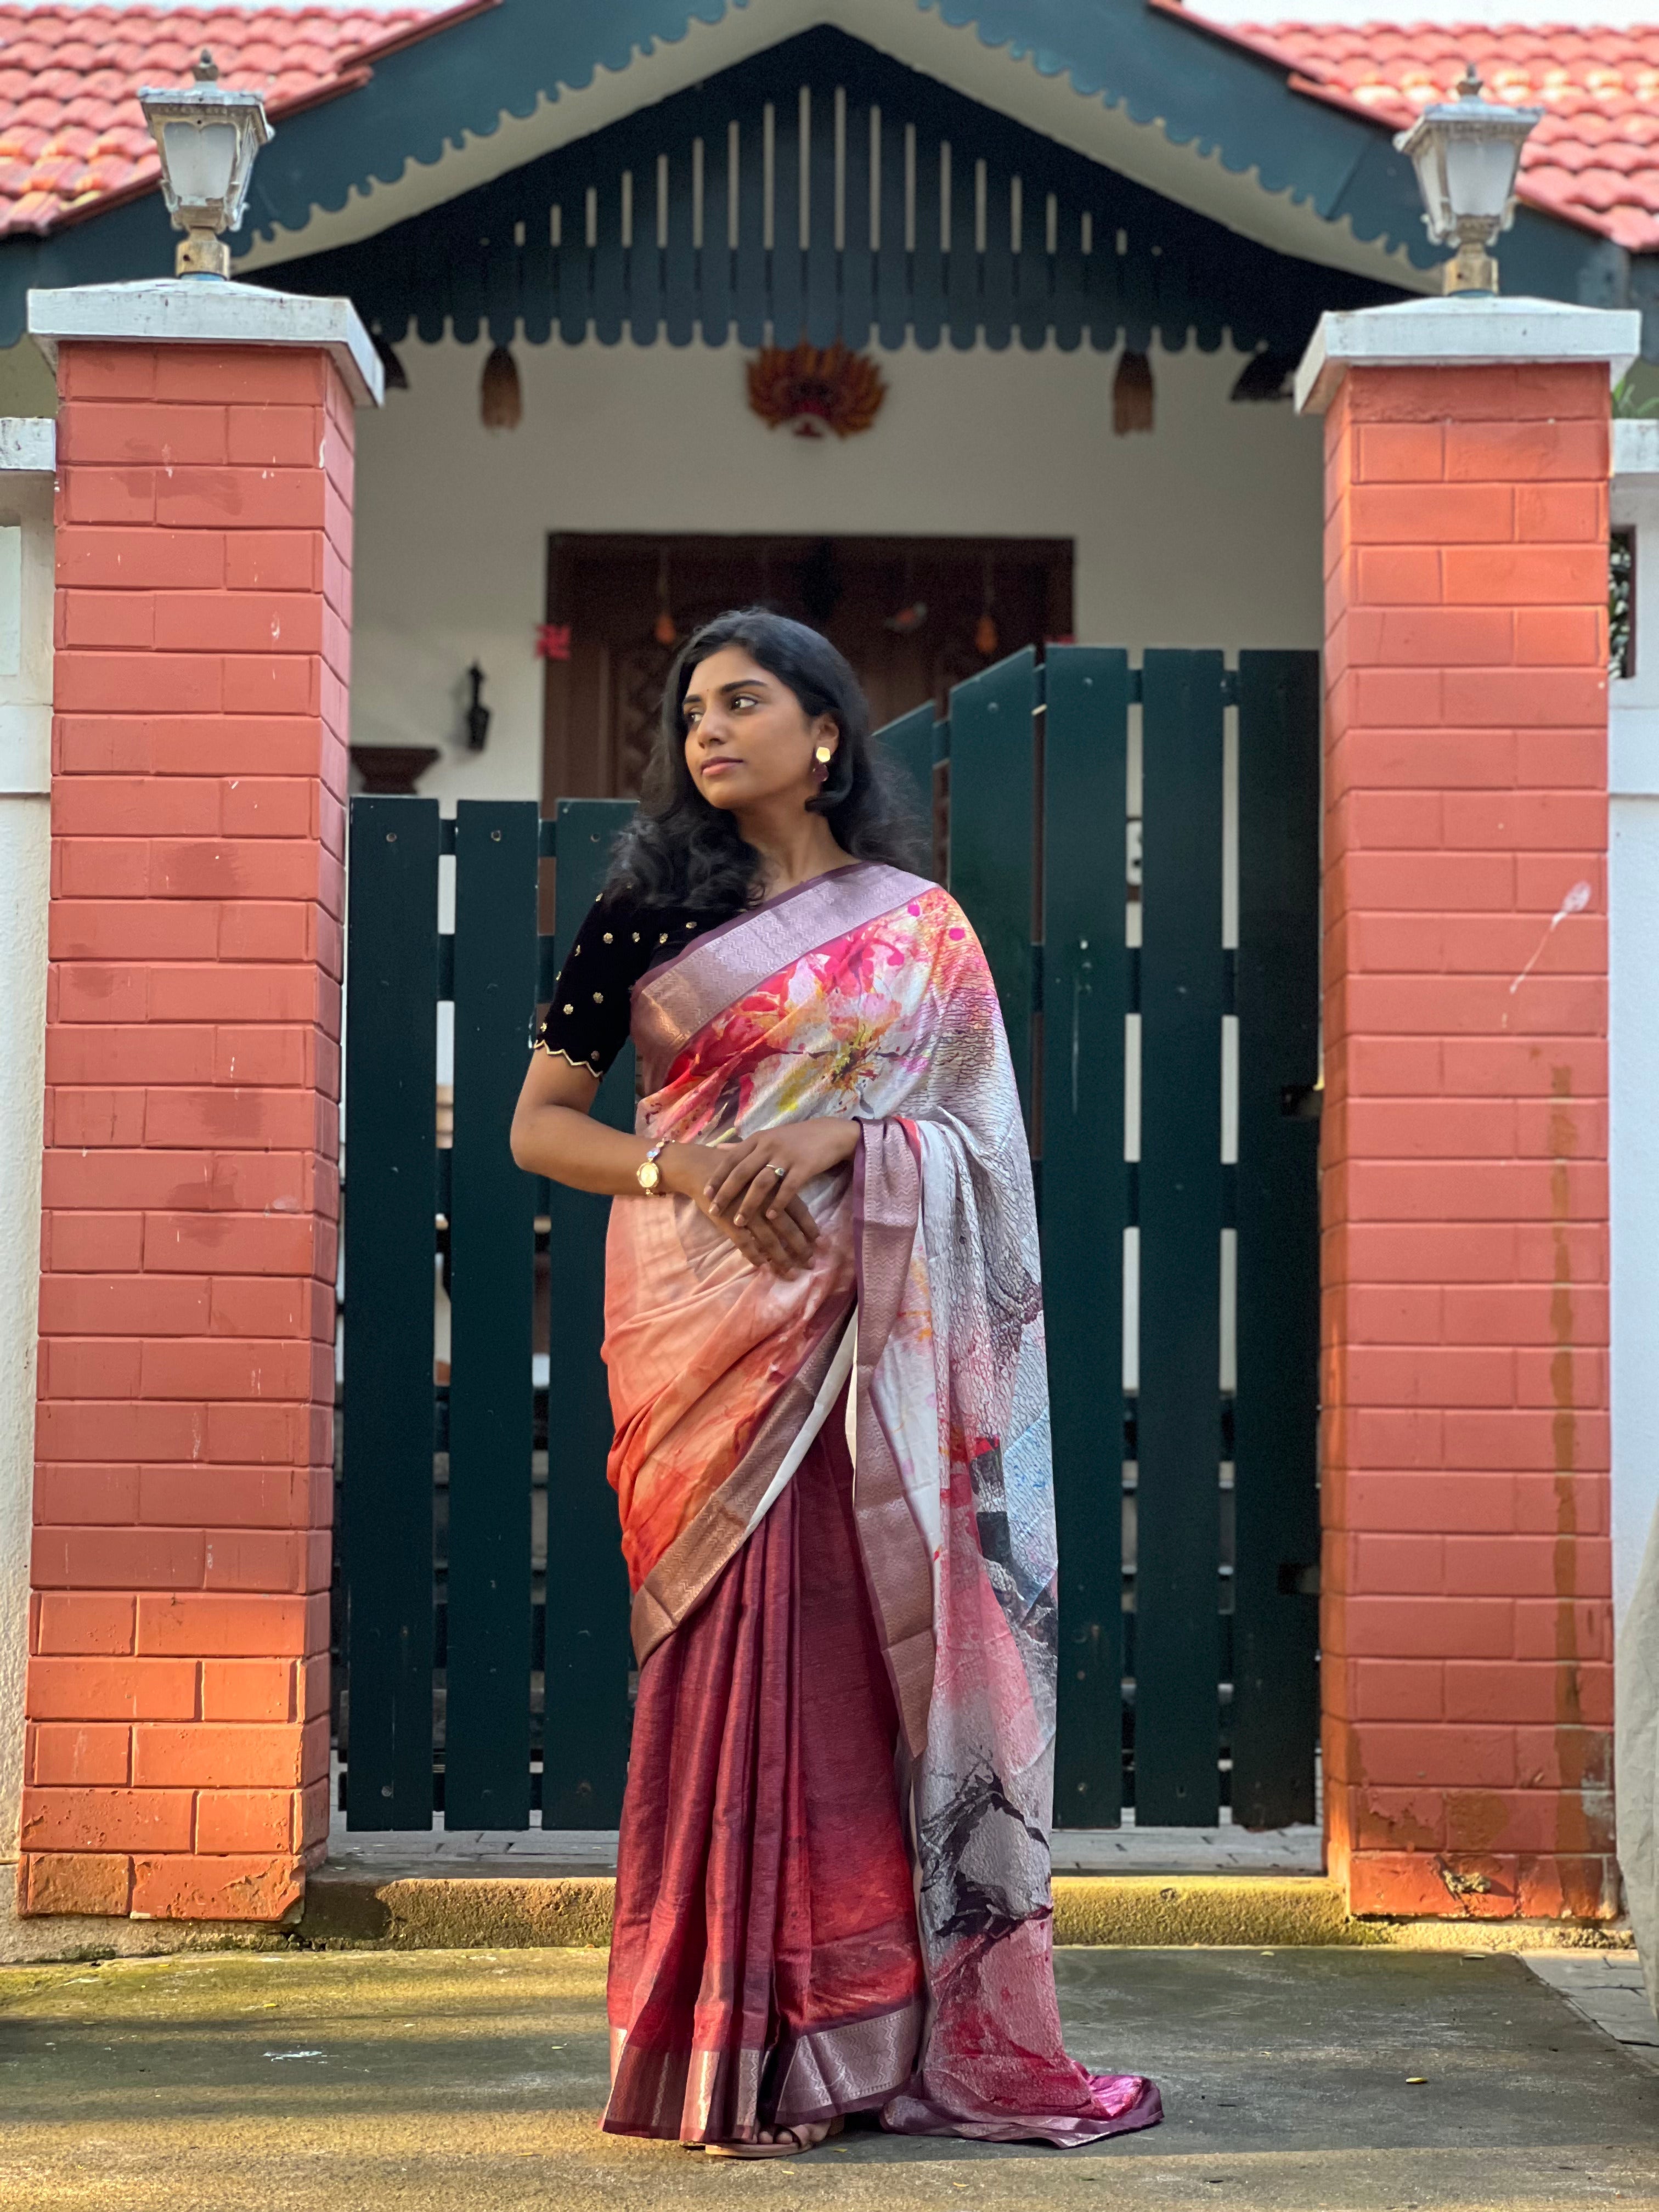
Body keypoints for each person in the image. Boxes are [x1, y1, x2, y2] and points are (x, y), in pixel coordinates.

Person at [510, 607, 1160, 2158]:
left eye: (742, 702)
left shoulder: (922, 929)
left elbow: (985, 1156)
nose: (705, 732)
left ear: (824, 733)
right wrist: (684, 1164)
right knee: (727, 1657)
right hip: (703, 1339)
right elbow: (544, 1126)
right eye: (687, 712)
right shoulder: (640, 920)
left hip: (881, 1346)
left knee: (865, 1658)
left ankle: (868, 2039)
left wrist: (845, 1143)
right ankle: (727, 2042)